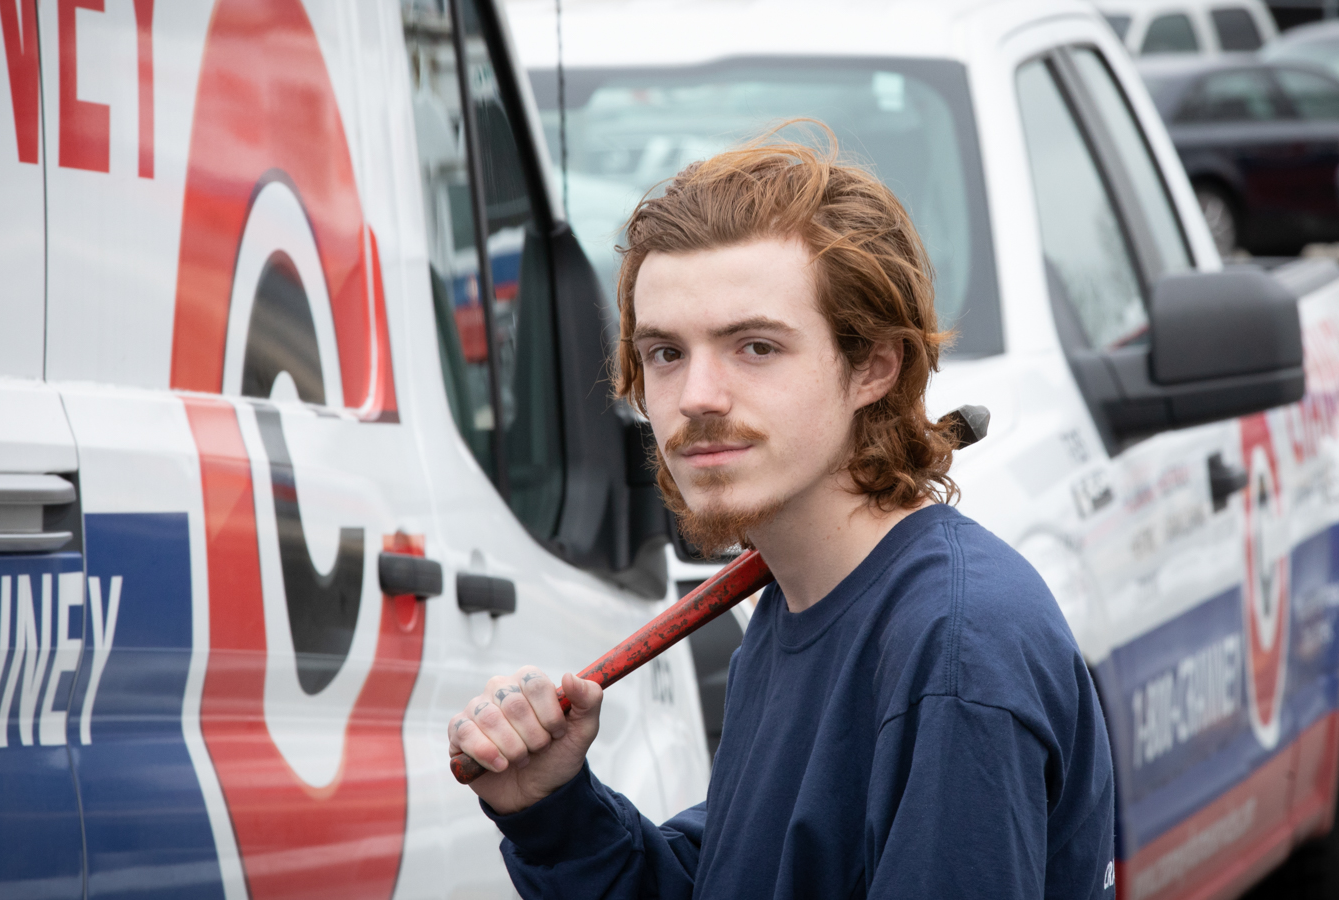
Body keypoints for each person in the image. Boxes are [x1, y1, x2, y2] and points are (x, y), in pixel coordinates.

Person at [447, 125, 1115, 899]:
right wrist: (554, 813)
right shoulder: (793, 608)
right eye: (665, 353)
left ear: (873, 365)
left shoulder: (956, 650)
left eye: (755, 347)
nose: (696, 396)